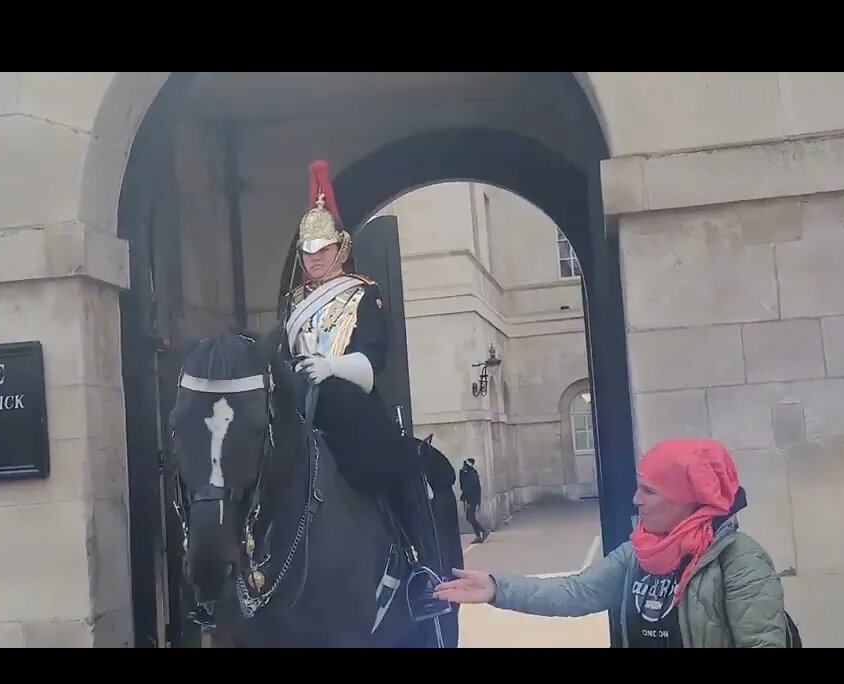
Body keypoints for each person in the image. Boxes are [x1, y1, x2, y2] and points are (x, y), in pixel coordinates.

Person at [282, 159, 449, 622]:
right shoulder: (293, 303)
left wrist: (330, 365)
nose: (314, 259)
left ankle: (420, 568)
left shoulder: (362, 294)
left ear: (341, 248)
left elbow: (373, 359)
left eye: (323, 249)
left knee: (392, 468)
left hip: (348, 406)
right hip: (300, 406)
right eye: (308, 251)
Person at [433, 437, 793, 648]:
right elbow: (577, 593)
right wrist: (497, 587)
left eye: (649, 491)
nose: (636, 500)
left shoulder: (739, 560)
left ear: (687, 497)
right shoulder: (639, 552)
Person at [458, 458, 490, 543]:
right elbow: (463, 486)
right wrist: (461, 473)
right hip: (471, 499)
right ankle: (479, 536)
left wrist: (469, 501)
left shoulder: (471, 475)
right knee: (471, 517)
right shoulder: (468, 474)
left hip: (471, 500)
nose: (463, 467)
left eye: (465, 465)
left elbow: (469, 489)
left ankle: (483, 531)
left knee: (470, 518)